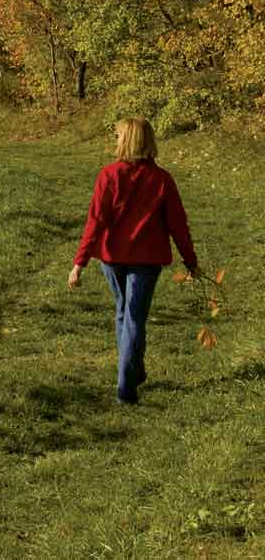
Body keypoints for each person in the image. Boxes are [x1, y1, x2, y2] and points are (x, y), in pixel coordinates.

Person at [67, 117, 198, 405]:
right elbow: (178, 225)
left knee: (126, 314)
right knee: (131, 315)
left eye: (117, 137)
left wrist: (80, 263)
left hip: (115, 257)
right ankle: (130, 378)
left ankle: (129, 379)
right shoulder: (160, 179)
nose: (114, 141)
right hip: (143, 259)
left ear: (126, 140)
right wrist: (190, 260)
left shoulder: (111, 175)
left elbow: (95, 222)